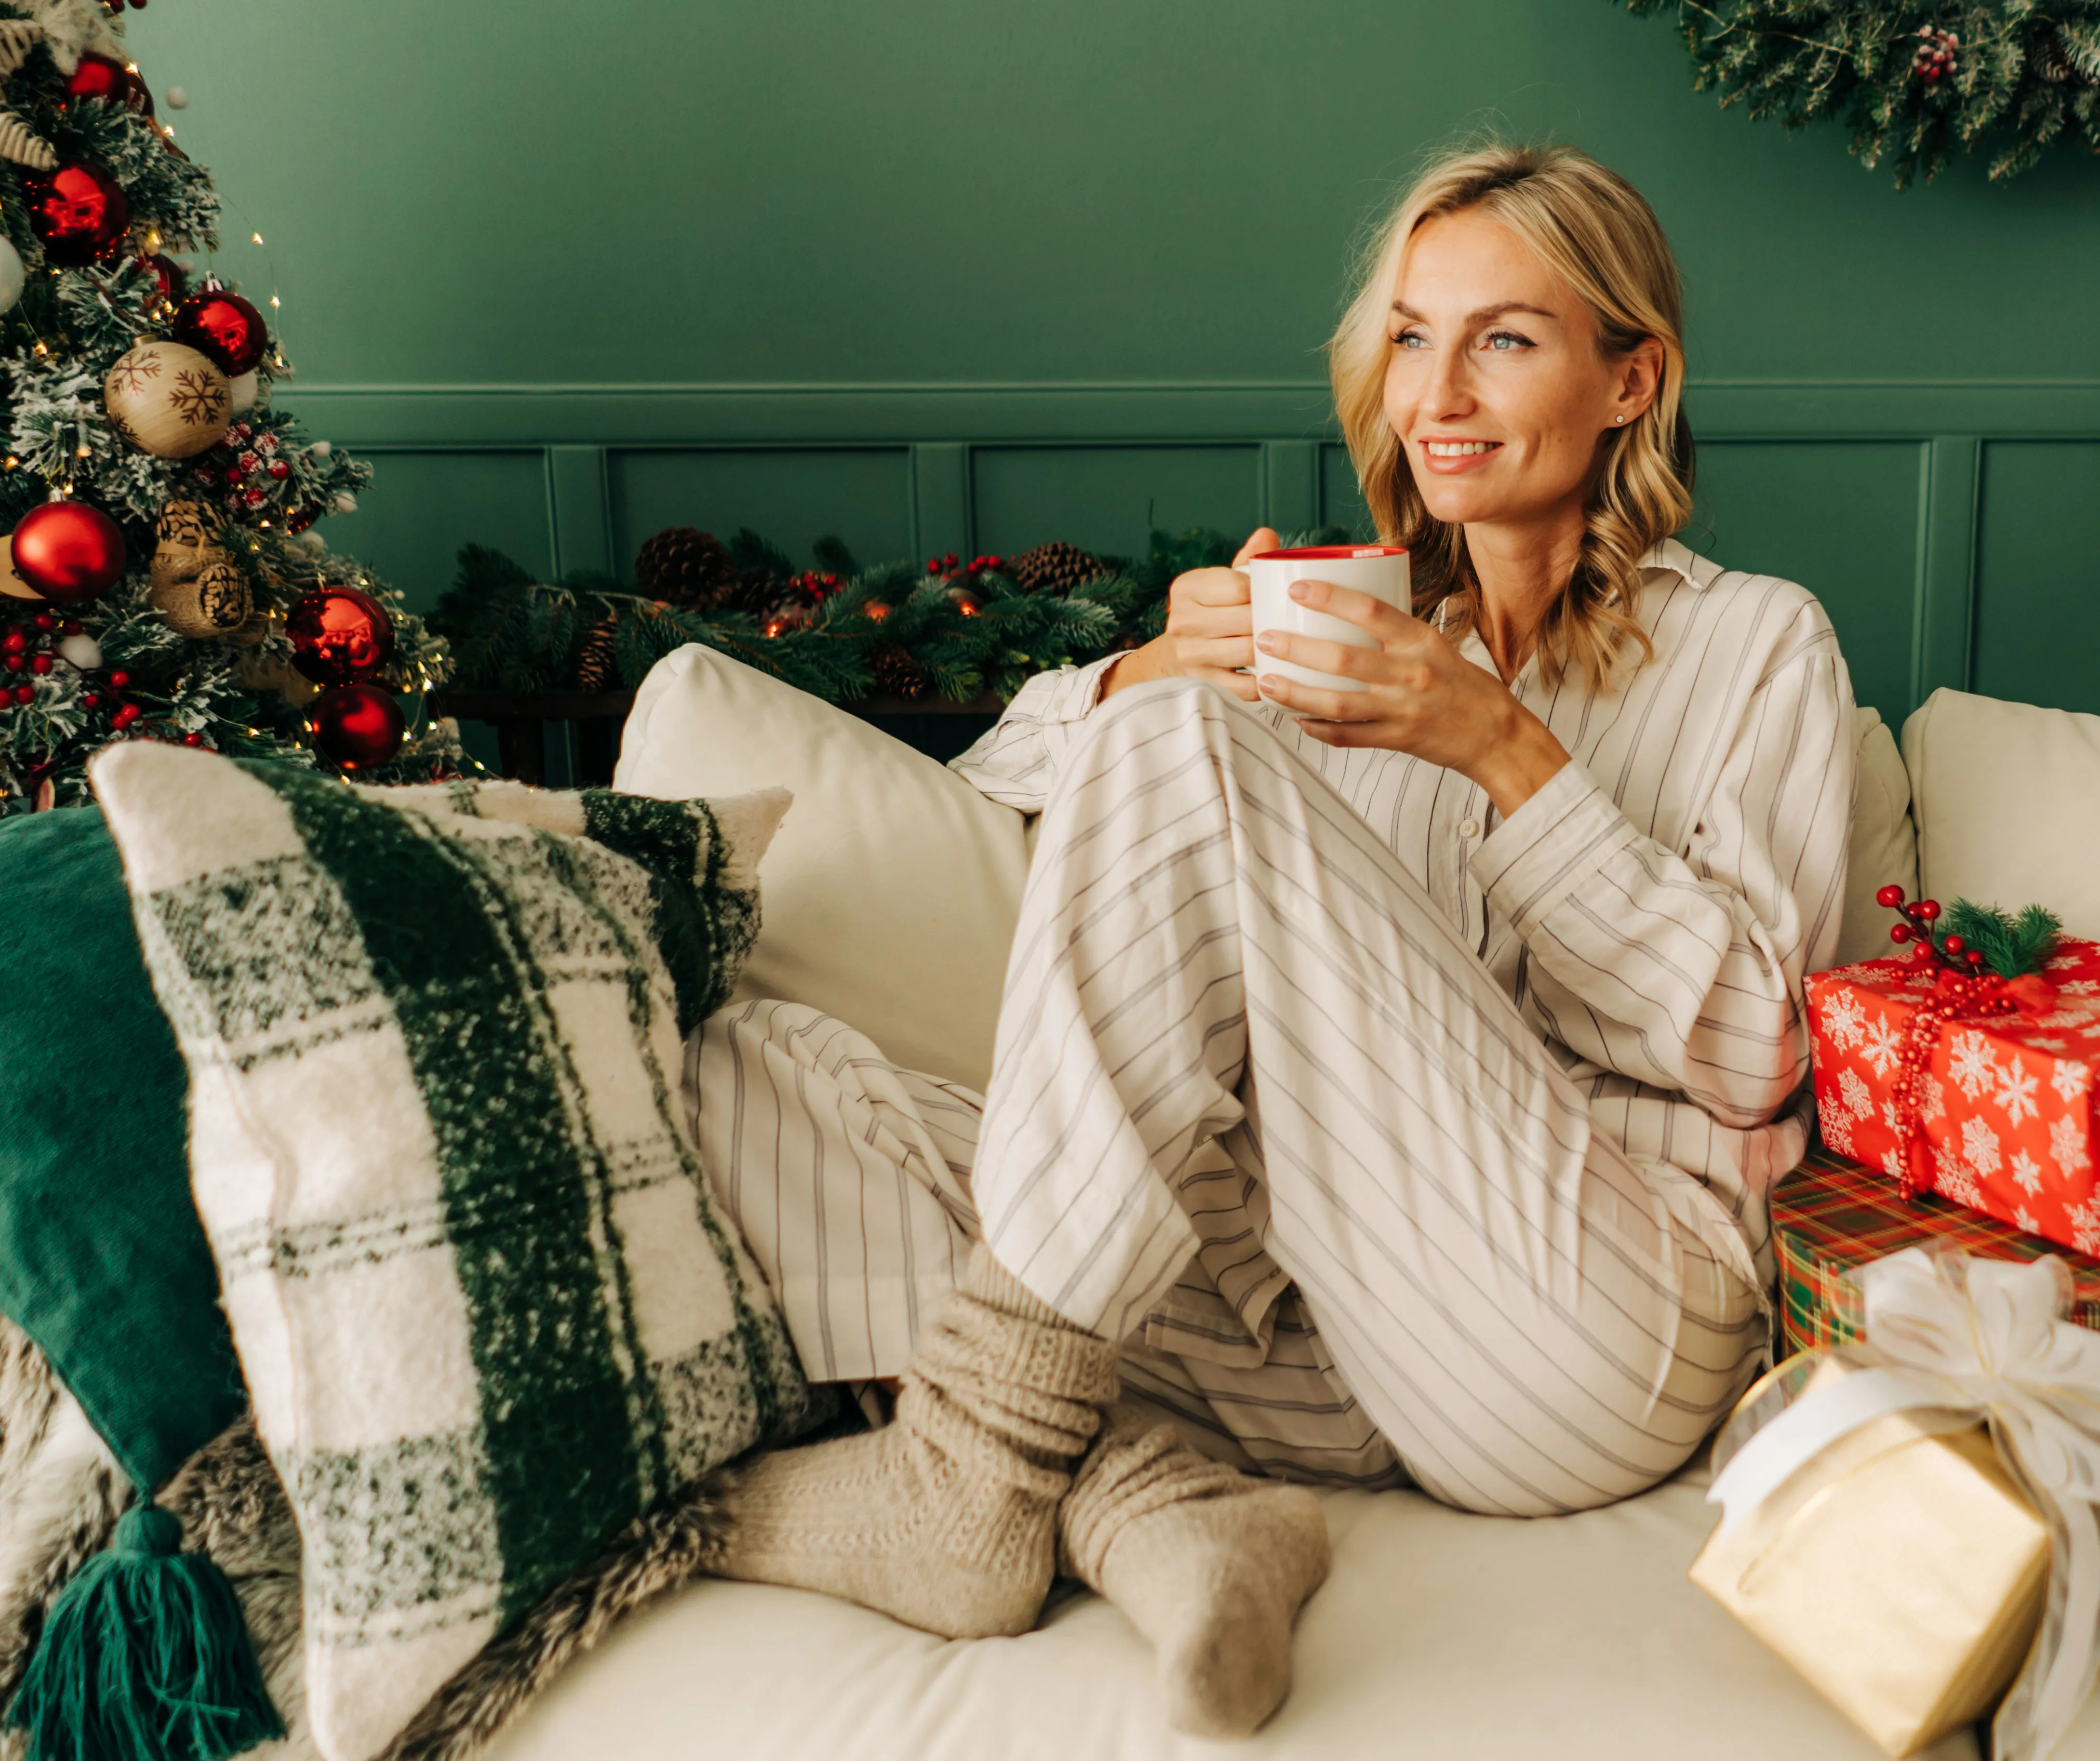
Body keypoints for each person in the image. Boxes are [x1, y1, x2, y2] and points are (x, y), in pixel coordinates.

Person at [691, 140, 1856, 1737]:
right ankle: (1160, 1506)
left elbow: (1758, 1049)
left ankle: (970, 1468)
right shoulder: (1348, 623)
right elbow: (977, 803)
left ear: (1630, 379)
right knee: (752, 1061)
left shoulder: (1760, 645)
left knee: (1185, 757)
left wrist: (1499, 751)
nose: (1437, 392)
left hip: (1595, 1332)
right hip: (1311, 1330)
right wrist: (1151, 672)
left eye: (1505, 338)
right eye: (1411, 335)